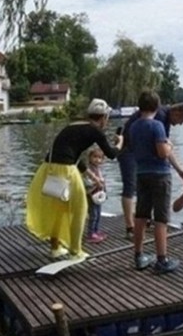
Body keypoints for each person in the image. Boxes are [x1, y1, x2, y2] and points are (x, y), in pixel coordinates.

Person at [26, 99, 119, 261]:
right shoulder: (95, 130)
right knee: (80, 209)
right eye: (107, 118)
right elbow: (111, 154)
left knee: (57, 209)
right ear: (104, 117)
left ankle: (55, 248)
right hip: (66, 169)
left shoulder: (73, 126)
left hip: (48, 167)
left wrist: (91, 176)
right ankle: (75, 251)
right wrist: (120, 143)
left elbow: (73, 154)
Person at [128, 90, 183, 274]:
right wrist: (169, 145)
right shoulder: (157, 125)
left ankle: (138, 255)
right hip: (159, 175)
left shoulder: (134, 126)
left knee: (141, 215)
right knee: (161, 218)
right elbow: (162, 153)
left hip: (141, 173)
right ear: (157, 106)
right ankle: (162, 259)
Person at [117, 100, 183, 238]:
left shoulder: (165, 119)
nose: (180, 124)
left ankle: (144, 222)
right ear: (177, 112)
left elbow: (164, 147)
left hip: (139, 153)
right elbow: (164, 149)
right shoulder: (160, 117)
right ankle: (130, 227)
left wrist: (179, 170)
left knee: (141, 189)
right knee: (130, 187)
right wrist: (177, 166)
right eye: (181, 120)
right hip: (128, 150)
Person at [82, 146, 107, 243]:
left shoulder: (98, 169)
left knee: (98, 213)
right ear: (90, 157)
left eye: (100, 158)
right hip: (91, 194)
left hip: (98, 194)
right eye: (95, 157)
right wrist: (96, 183)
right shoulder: (88, 170)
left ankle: (96, 230)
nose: (97, 160)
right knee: (93, 214)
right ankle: (91, 233)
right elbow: (86, 182)